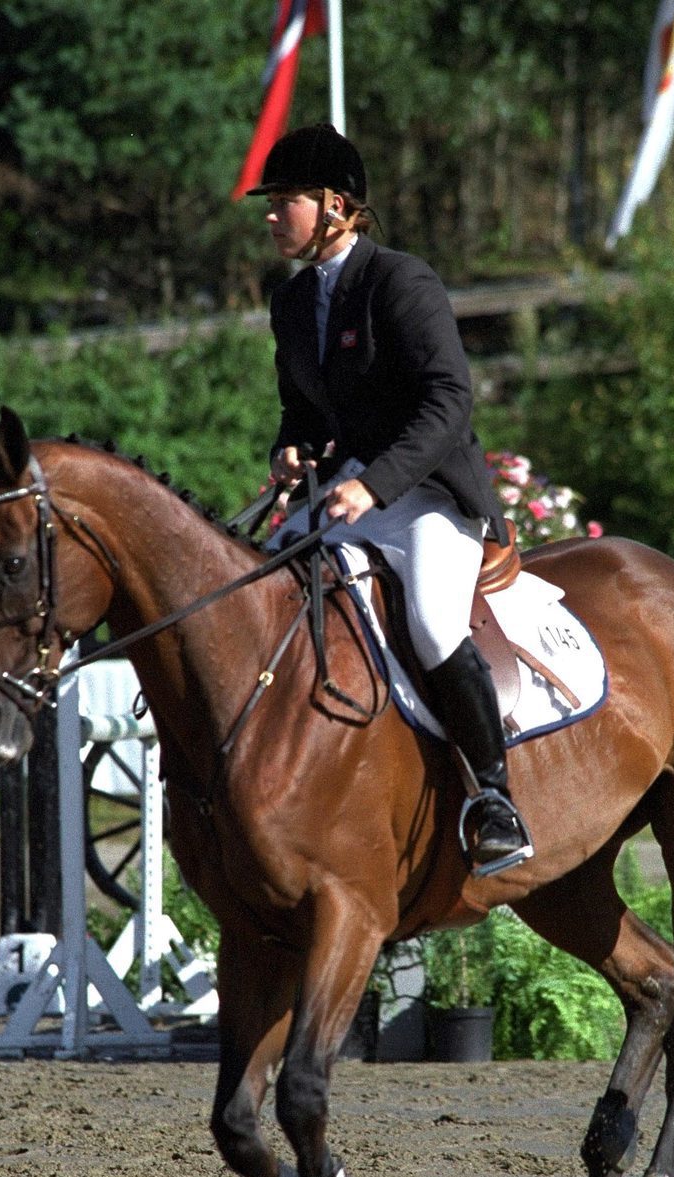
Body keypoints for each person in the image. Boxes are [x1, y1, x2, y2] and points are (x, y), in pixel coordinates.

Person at [246, 123, 532, 874]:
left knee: (435, 624)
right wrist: (291, 446)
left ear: (335, 204)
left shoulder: (401, 282)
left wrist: (373, 484)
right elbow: (303, 410)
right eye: (270, 204)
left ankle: (493, 799)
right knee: (263, 590)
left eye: (286, 202)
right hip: (348, 492)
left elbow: (448, 402)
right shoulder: (291, 303)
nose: (272, 216)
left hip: (430, 493)